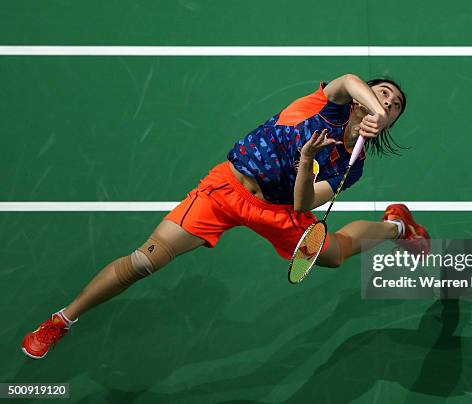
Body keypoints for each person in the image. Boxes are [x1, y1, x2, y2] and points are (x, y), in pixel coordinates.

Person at [21, 73, 429, 359]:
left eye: (394, 106)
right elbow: (349, 78)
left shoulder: (351, 166)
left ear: (392, 123)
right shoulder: (327, 104)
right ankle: (61, 320)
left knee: (335, 254)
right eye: (382, 93)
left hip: (279, 209)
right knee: (145, 260)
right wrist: (373, 105)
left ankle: (397, 225)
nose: (386, 102)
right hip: (227, 189)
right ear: (364, 98)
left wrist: (306, 162)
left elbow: (303, 205)